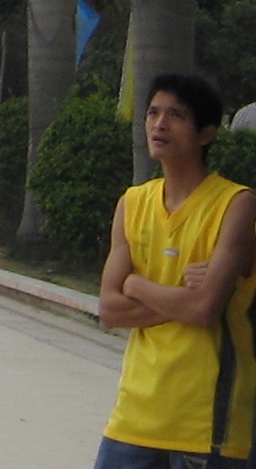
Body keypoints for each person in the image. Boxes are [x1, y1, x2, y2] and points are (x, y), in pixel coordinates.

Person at [95, 73, 256, 468]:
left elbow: (203, 310)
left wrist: (135, 284)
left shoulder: (236, 204)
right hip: (134, 415)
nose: (160, 124)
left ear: (207, 134)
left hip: (206, 422)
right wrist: (184, 298)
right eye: (153, 113)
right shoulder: (133, 203)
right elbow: (110, 310)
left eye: (176, 115)